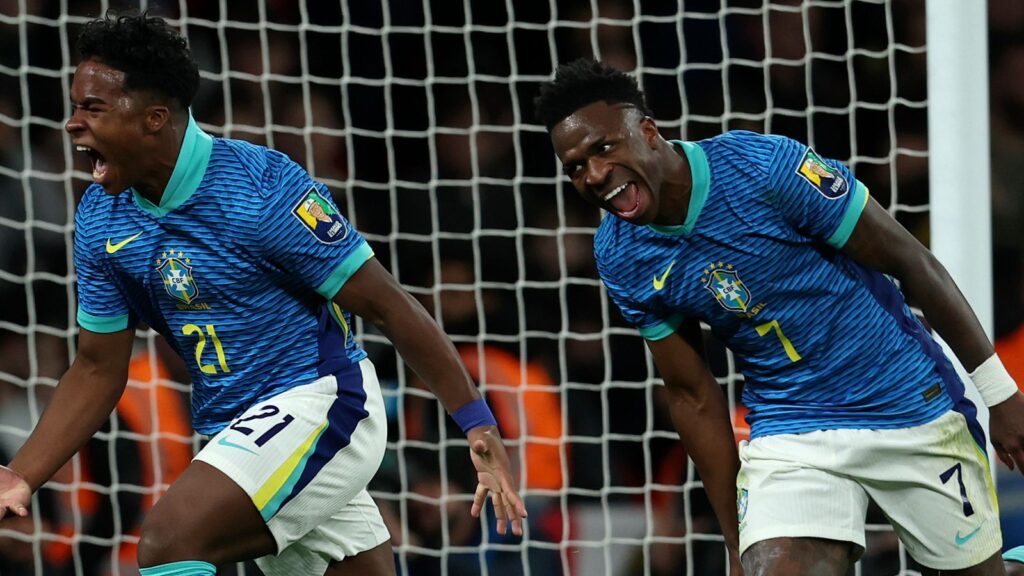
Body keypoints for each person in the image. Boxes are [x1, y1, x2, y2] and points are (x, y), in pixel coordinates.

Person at [0, 12, 526, 576]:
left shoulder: (261, 187)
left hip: (324, 403)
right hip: (236, 430)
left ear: (154, 118)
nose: (73, 124)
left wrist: (477, 423)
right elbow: (97, 367)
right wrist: (21, 474)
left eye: (92, 108)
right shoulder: (103, 216)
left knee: (168, 542)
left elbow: (386, 303)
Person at [534, 58, 1024, 576]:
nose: (593, 175)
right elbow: (691, 394)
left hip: (906, 403)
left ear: (648, 132)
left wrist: (1001, 394)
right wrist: (734, 539)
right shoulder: (621, 254)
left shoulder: (763, 168)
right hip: (791, 432)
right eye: (574, 167)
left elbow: (912, 262)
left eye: (603, 148)